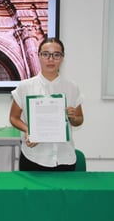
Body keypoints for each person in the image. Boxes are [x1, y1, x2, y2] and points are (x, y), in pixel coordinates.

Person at [9, 37, 84, 171]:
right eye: (46, 54)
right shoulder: (25, 86)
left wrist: (73, 117)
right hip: (34, 156)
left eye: (56, 55)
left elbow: (79, 120)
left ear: (62, 58)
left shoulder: (71, 87)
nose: (51, 59)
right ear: (39, 56)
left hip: (64, 156)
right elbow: (13, 118)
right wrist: (28, 130)